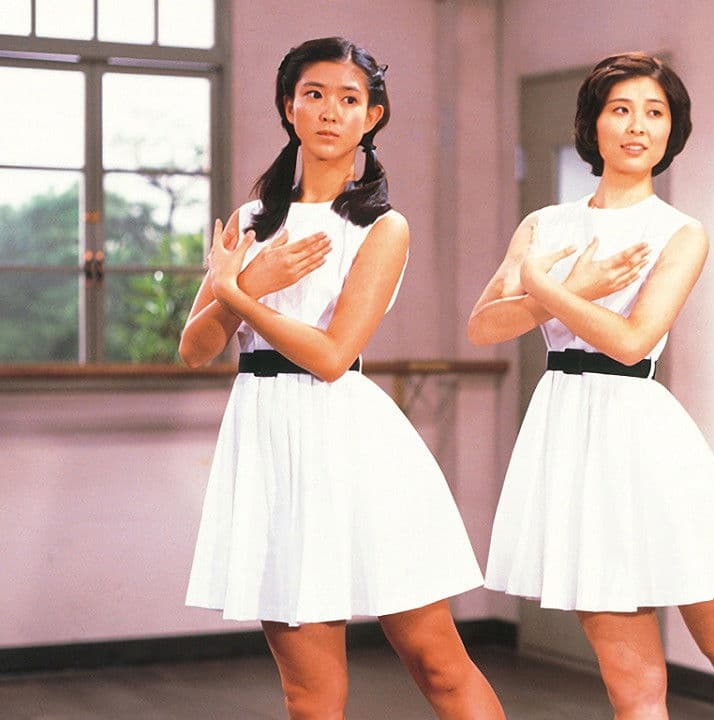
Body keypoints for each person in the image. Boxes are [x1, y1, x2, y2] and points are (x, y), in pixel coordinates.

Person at [180, 37, 503, 720]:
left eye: (349, 99)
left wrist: (238, 291)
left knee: (439, 666)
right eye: (314, 95)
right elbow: (195, 349)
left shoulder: (383, 227)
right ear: (288, 107)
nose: (330, 111)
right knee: (309, 695)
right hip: (268, 445)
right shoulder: (248, 222)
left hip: (351, 441)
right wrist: (248, 282)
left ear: (372, 116)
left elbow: (331, 356)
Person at [468, 52, 714, 720]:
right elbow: (483, 327)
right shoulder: (544, 225)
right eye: (621, 110)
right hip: (568, 439)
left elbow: (631, 341)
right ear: (593, 124)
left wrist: (548, 287)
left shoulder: (680, 233)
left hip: (644, 438)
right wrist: (565, 287)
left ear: (673, 130)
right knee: (632, 684)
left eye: (655, 112)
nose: (638, 126)